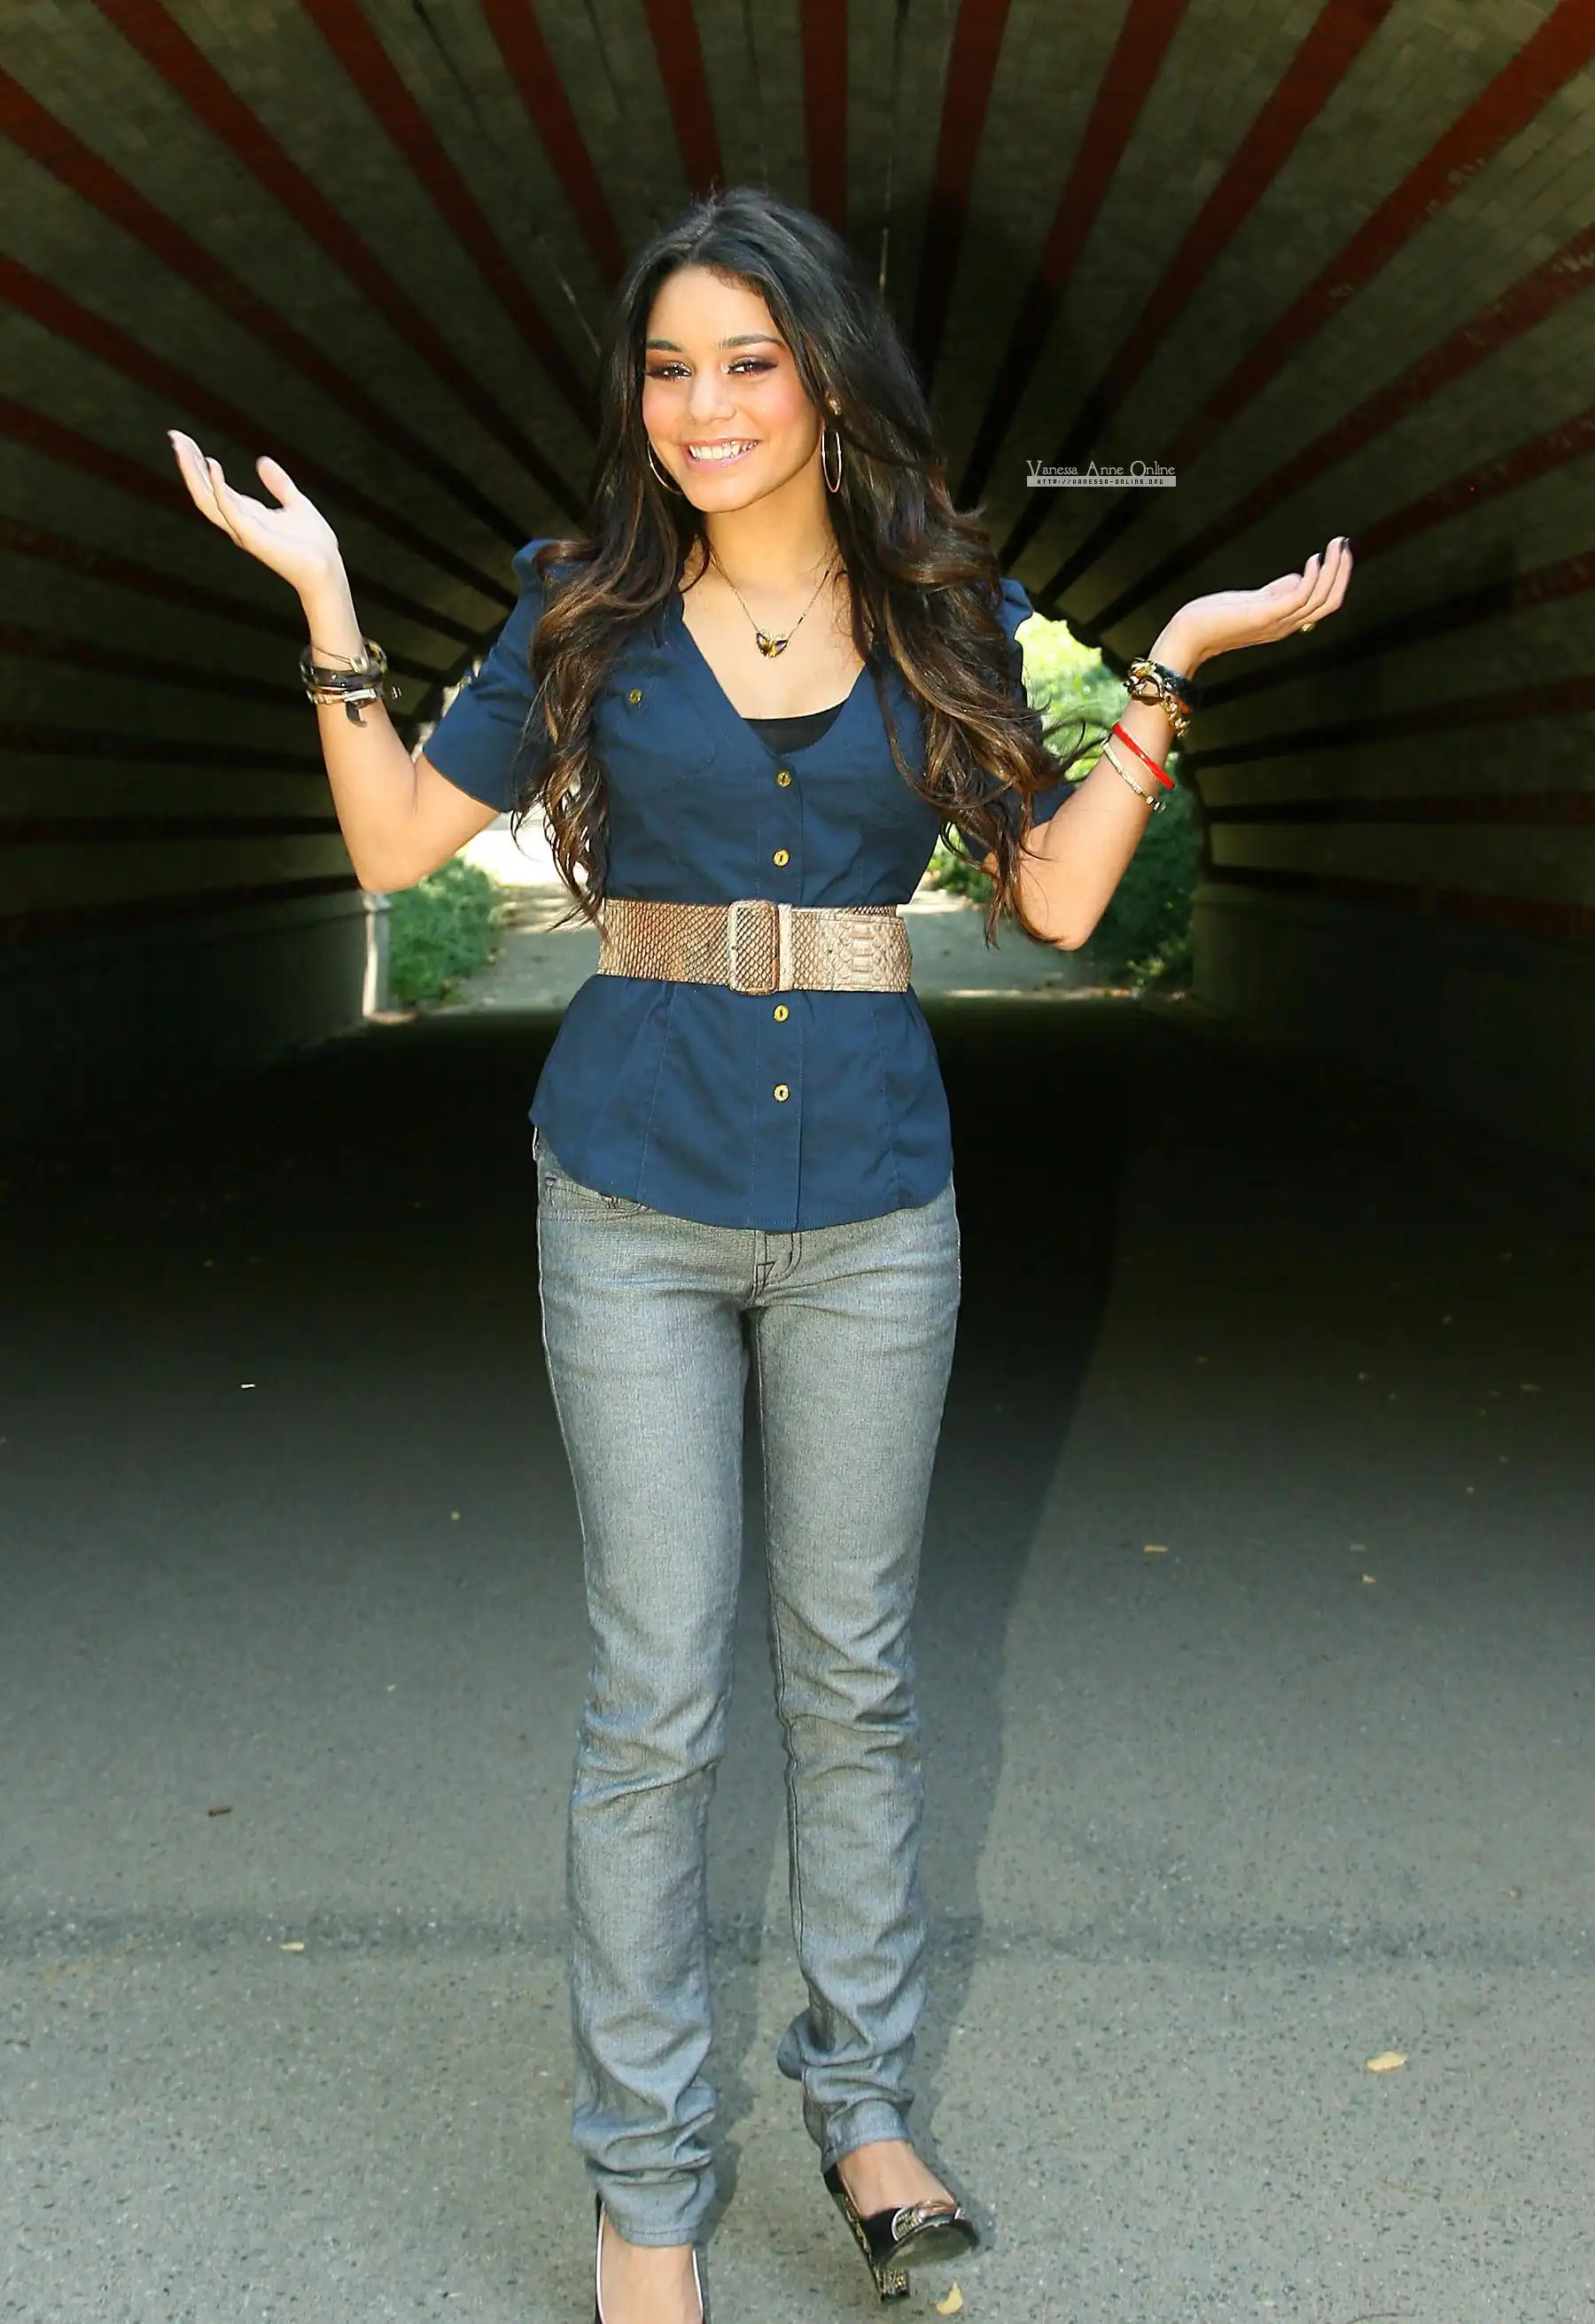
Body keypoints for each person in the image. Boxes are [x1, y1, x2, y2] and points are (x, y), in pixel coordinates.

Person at [169, 182, 1350, 2324]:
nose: (703, 406)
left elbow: (1056, 903)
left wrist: (1175, 662)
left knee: (856, 1681)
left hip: (876, 1214)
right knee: (655, 1703)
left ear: (824, 380)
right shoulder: (582, 609)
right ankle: (645, 2196)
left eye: (748, 360)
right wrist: (330, 599)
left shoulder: (941, 612)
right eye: (667, 366)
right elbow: (394, 844)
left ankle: (865, 2111)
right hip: (628, 1197)